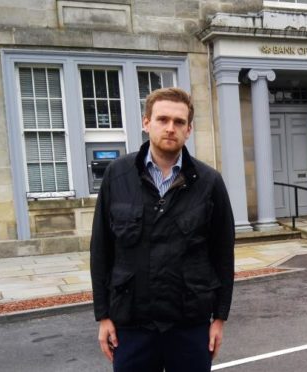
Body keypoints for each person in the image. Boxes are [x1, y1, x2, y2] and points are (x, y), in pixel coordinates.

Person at [90, 87, 235, 371]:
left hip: (189, 325)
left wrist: (219, 318)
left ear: (189, 129)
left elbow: (222, 254)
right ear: (146, 123)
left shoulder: (209, 182)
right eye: (163, 119)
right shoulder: (117, 176)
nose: (171, 128)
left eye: (179, 122)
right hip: (132, 325)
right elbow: (101, 251)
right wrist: (103, 316)